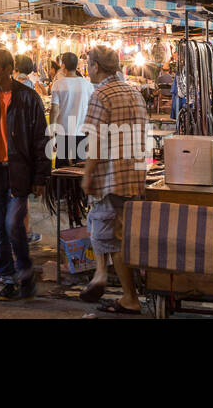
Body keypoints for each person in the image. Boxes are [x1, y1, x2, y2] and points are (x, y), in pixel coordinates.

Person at [0, 48, 50, 301]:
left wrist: (40, 177)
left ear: (7, 68)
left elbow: (41, 138)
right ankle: (9, 279)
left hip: (19, 172)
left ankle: (25, 274)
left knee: (13, 225)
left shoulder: (28, 97)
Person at [81, 45, 149, 315]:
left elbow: (95, 141)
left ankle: (129, 297)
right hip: (134, 175)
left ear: (96, 66)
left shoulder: (101, 95)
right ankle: (104, 277)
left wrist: (87, 175)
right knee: (120, 235)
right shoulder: (134, 91)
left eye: (89, 63)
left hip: (111, 177)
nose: (87, 67)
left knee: (113, 238)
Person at [49, 52, 95, 165]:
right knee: (79, 169)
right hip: (81, 133)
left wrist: (51, 134)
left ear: (63, 65)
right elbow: (92, 112)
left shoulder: (58, 84)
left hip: (62, 133)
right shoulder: (88, 85)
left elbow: (54, 110)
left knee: (62, 170)